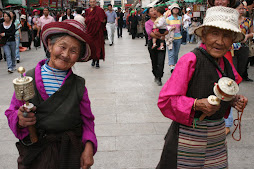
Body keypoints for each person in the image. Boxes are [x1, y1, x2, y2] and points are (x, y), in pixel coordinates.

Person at [156, 6, 248, 169]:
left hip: (216, 140)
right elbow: (166, 100)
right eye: (214, 33)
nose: (220, 41)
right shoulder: (190, 60)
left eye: (226, 36)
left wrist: (234, 100)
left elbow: (225, 91)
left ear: (233, 40)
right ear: (204, 35)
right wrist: (196, 104)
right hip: (187, 139)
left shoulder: (226, 64)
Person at [5, 20, 97, 169]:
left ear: (78, 56)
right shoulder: (28, 79)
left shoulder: (78, 85)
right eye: (62, 47)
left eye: (73, 51)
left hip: (69, 153)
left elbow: (87, 121)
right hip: (36, 152)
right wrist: (19, 119)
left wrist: (89, 146)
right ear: (50, 44)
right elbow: (12, 112)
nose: (66, 55)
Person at [145, 7, 168, 86]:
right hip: (152, 42)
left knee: (161, 61)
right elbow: (150, 33)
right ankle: (155, 74)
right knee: (154, 60)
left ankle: (159, 77)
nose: (154, 12)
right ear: (148, 14)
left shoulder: (162, 19)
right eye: (151, 11)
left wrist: (162, 35)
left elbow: (167, 30)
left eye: (154, 10)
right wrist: (161, 36)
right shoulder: (148, 23)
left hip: (161, 42)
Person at [233, 1, 253, 82]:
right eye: (239, 9)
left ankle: (235, 87)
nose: (241, 10)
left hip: (243, 48)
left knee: (241, 70)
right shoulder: (230, 20)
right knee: (233, 70)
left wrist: (247, 36)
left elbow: (252, 33)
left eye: (242, 9)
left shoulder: (248, 21)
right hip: (231, 49)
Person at [85, 0, 107, 68]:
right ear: (89, 3)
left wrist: (103, 21)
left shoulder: (100, 10)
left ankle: (97, 61)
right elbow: (86, 20)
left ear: (96, 2)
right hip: (90, 32)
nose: (92, 3)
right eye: (91, 2)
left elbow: (104, 19)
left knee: (98, 47)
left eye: (93, 2)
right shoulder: (87, 11)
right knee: (92, 47)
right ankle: (93, 60)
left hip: (98, 32)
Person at [166, 3, 182, 73]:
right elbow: (165, 27)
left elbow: (182, 27)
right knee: (171, 52)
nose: (175, 10)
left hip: (179, 37)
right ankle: (171, 66)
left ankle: (174, 64)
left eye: (177, 9)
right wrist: (171, 28)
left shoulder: (180, 18)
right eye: (174, 9)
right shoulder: (168, 19)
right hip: (170, 38)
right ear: (172, 10)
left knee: (176, 53)